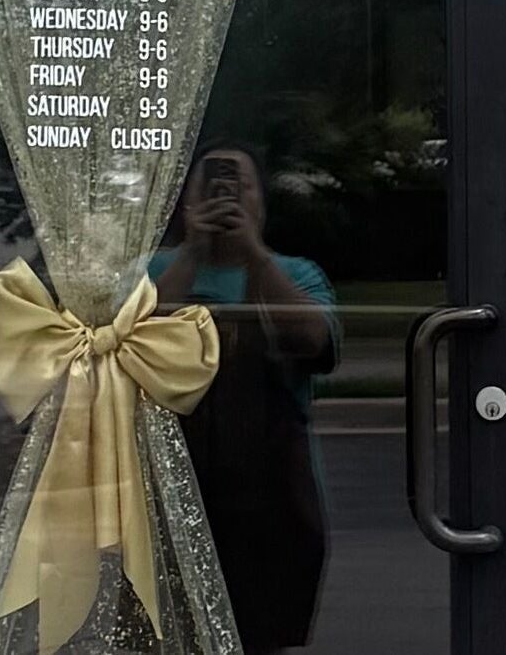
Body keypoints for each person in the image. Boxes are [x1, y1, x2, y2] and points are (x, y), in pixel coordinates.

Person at [152, 145, 339, 655]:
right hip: (168, 497)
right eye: (209, 184)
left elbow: (313, 341)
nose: (224, 195)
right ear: (186, 199)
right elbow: (129, 345)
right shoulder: (152, 273)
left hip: (273, 509)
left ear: (261, 202)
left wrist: (253, 255)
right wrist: (192, 251)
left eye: (239, 185)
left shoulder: (297, 274)